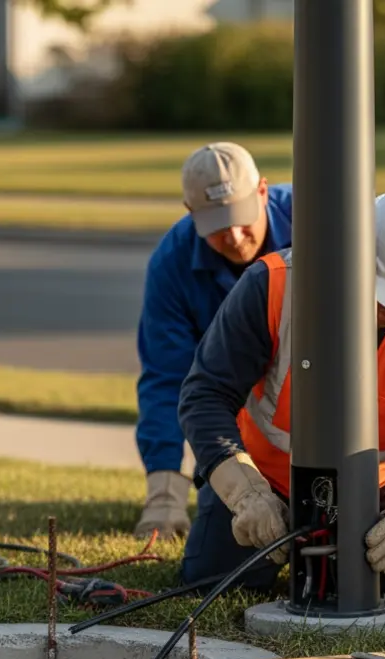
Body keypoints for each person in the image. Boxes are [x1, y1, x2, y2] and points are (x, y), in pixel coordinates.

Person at [175, 181, 385, 604]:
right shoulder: (274, 287)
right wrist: (244, 492)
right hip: (266, 476)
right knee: (211, 583)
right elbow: (205, 395)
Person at [132, 141, 294, 540]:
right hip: (234, 416)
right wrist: (165, 496)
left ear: (263, 191)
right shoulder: (171, 264)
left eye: (241, 217)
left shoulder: (313, 219)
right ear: (191, 215)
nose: (236, 237)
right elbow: (168, 379)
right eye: (218, 226)